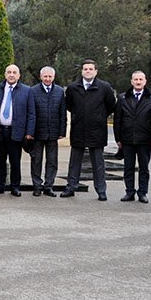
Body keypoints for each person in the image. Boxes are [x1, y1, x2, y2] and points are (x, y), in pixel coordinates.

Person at [60, 59, 116, 200]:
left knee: (98, 164)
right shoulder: (73, 88)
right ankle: (71, 187)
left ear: (96, 71)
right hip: (78, 129)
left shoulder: (104, 87)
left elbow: (111, 106)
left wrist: (99, 117)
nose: (88, 71)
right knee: (74, 162)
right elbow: (70, 106)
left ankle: (101, 190)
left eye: (91, 69)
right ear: (82, 71)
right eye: (85, 69)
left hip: (97, 130)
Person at [113, 70, 151, 203]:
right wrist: (118, 139)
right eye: (135, 79)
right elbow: (118, 120)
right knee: (128, 167)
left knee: (144, 168)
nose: (138, 82)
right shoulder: (122, 98)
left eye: (140, 79)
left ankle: (143, 192)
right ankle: (129, 192)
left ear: (145, 81)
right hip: (127, 139)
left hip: (144, 139)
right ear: (131, 81)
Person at [0, 64, 36, 197]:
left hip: (16, 131)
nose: (11, 75)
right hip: (0, 131)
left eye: (14, 72)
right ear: (5, 74)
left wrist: (29, 132)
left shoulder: (27, 91)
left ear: (19, 75)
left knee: (15, 161)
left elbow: (31, 113)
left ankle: (15, 186)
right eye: (9, 72)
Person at [29, 66, 65, 197]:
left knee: (52, 161)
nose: (48, 79)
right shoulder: (33, 91)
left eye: (50, 76)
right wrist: (30, 132)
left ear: (53, 77)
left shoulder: (60, 91)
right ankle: (37, 186)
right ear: (41, 77)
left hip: (53, 133)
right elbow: (31, 113)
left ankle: (48, 186)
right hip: (37, 133)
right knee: (36, 160)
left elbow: (62, 113)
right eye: (45, 76)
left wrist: (62, 131)